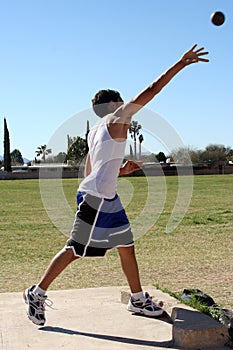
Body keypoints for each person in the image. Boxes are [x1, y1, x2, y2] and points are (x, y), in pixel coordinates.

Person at [23, 44, 209, 326]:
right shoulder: (118, 118)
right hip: (97, 197)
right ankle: (36, 293)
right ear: (113, 104)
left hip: (104, 196)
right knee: (76, 248)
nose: (126, 106)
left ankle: (137, 298)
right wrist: (180, 64)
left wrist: (120, 171)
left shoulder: (95, 131)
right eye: (121, 101)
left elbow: (91, 168)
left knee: (126, 244)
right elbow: (152, 90)